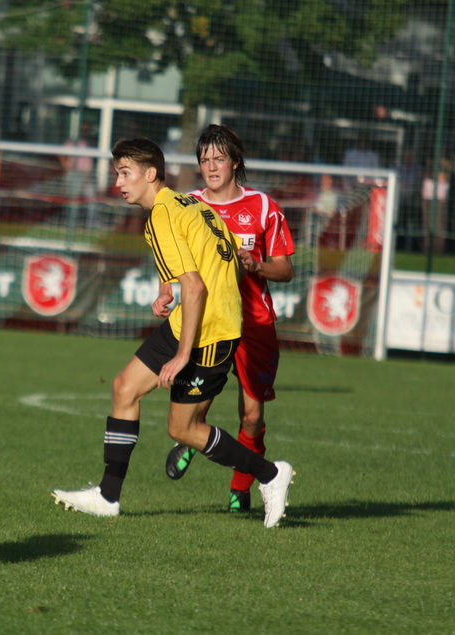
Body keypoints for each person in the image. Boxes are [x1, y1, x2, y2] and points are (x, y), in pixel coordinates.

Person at [51, 137, 295, 528]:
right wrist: (167, 288)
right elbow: (217, 256)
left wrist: (182, 355)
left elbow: (195, 287)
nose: (118, 182)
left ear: (150, 174)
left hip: (212, 332)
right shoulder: (183, 203)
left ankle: (270, 474)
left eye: (125, 173)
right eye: (117, 174)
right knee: (124, 388)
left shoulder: (165, 213)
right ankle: (107, 496)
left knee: (183, 429)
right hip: (191, 320)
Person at [162, 124, 296, 514]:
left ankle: (240, 489)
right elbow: (171, 256)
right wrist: (165, 288)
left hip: (254, 324)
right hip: (209, 322)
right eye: (204, 160)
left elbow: (285, 269)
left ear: (235, 162)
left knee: (252, 417)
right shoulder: (188, 205)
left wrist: (257, 266)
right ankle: (190, 438)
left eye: (218, 159)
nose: (211, 167)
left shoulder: (263, 207)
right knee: (195, 410)